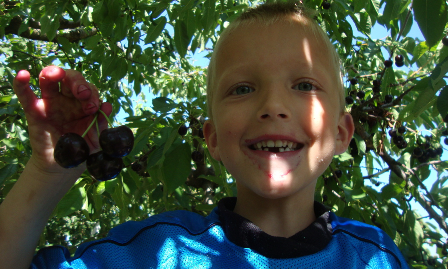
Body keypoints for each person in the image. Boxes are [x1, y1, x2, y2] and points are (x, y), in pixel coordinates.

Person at [0, 2, 409, 268]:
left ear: (341, 133)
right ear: (211, 138)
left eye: (304, 85)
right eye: (242, 89)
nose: (272, 105)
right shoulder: (154, 254)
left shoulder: (373, 258)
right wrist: (48, 172)